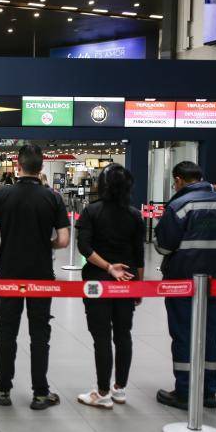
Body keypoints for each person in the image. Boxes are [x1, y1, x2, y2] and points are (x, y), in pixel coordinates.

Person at [0, 143, 70, 410]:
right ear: (42, 167)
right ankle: (40, 393)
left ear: (17, 165)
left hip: (9, 272)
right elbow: (64, 240)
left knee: (7, 332)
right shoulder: (53, 198)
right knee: (40, 334)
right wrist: (48, 245)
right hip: (41, 275)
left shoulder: (1, 195)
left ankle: (3, 389)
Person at [155, 161, 216, 410]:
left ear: (178, 180)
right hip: (215, 281)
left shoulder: (180, 205)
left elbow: (164, 246)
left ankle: (185, 391)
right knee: (210, 333)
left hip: (183, 280)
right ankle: (209, 390)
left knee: (183, 334)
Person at [75, 164, 145, 409]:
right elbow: (139, 255)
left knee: (101, 336)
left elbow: (84, 247)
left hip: (97, 282)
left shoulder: (92, 212)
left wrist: (107, 267)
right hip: (127, 282)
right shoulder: (136, 215)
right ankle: (119, 388)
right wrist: (139, 286)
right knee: (123, 334)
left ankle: (102, 391)